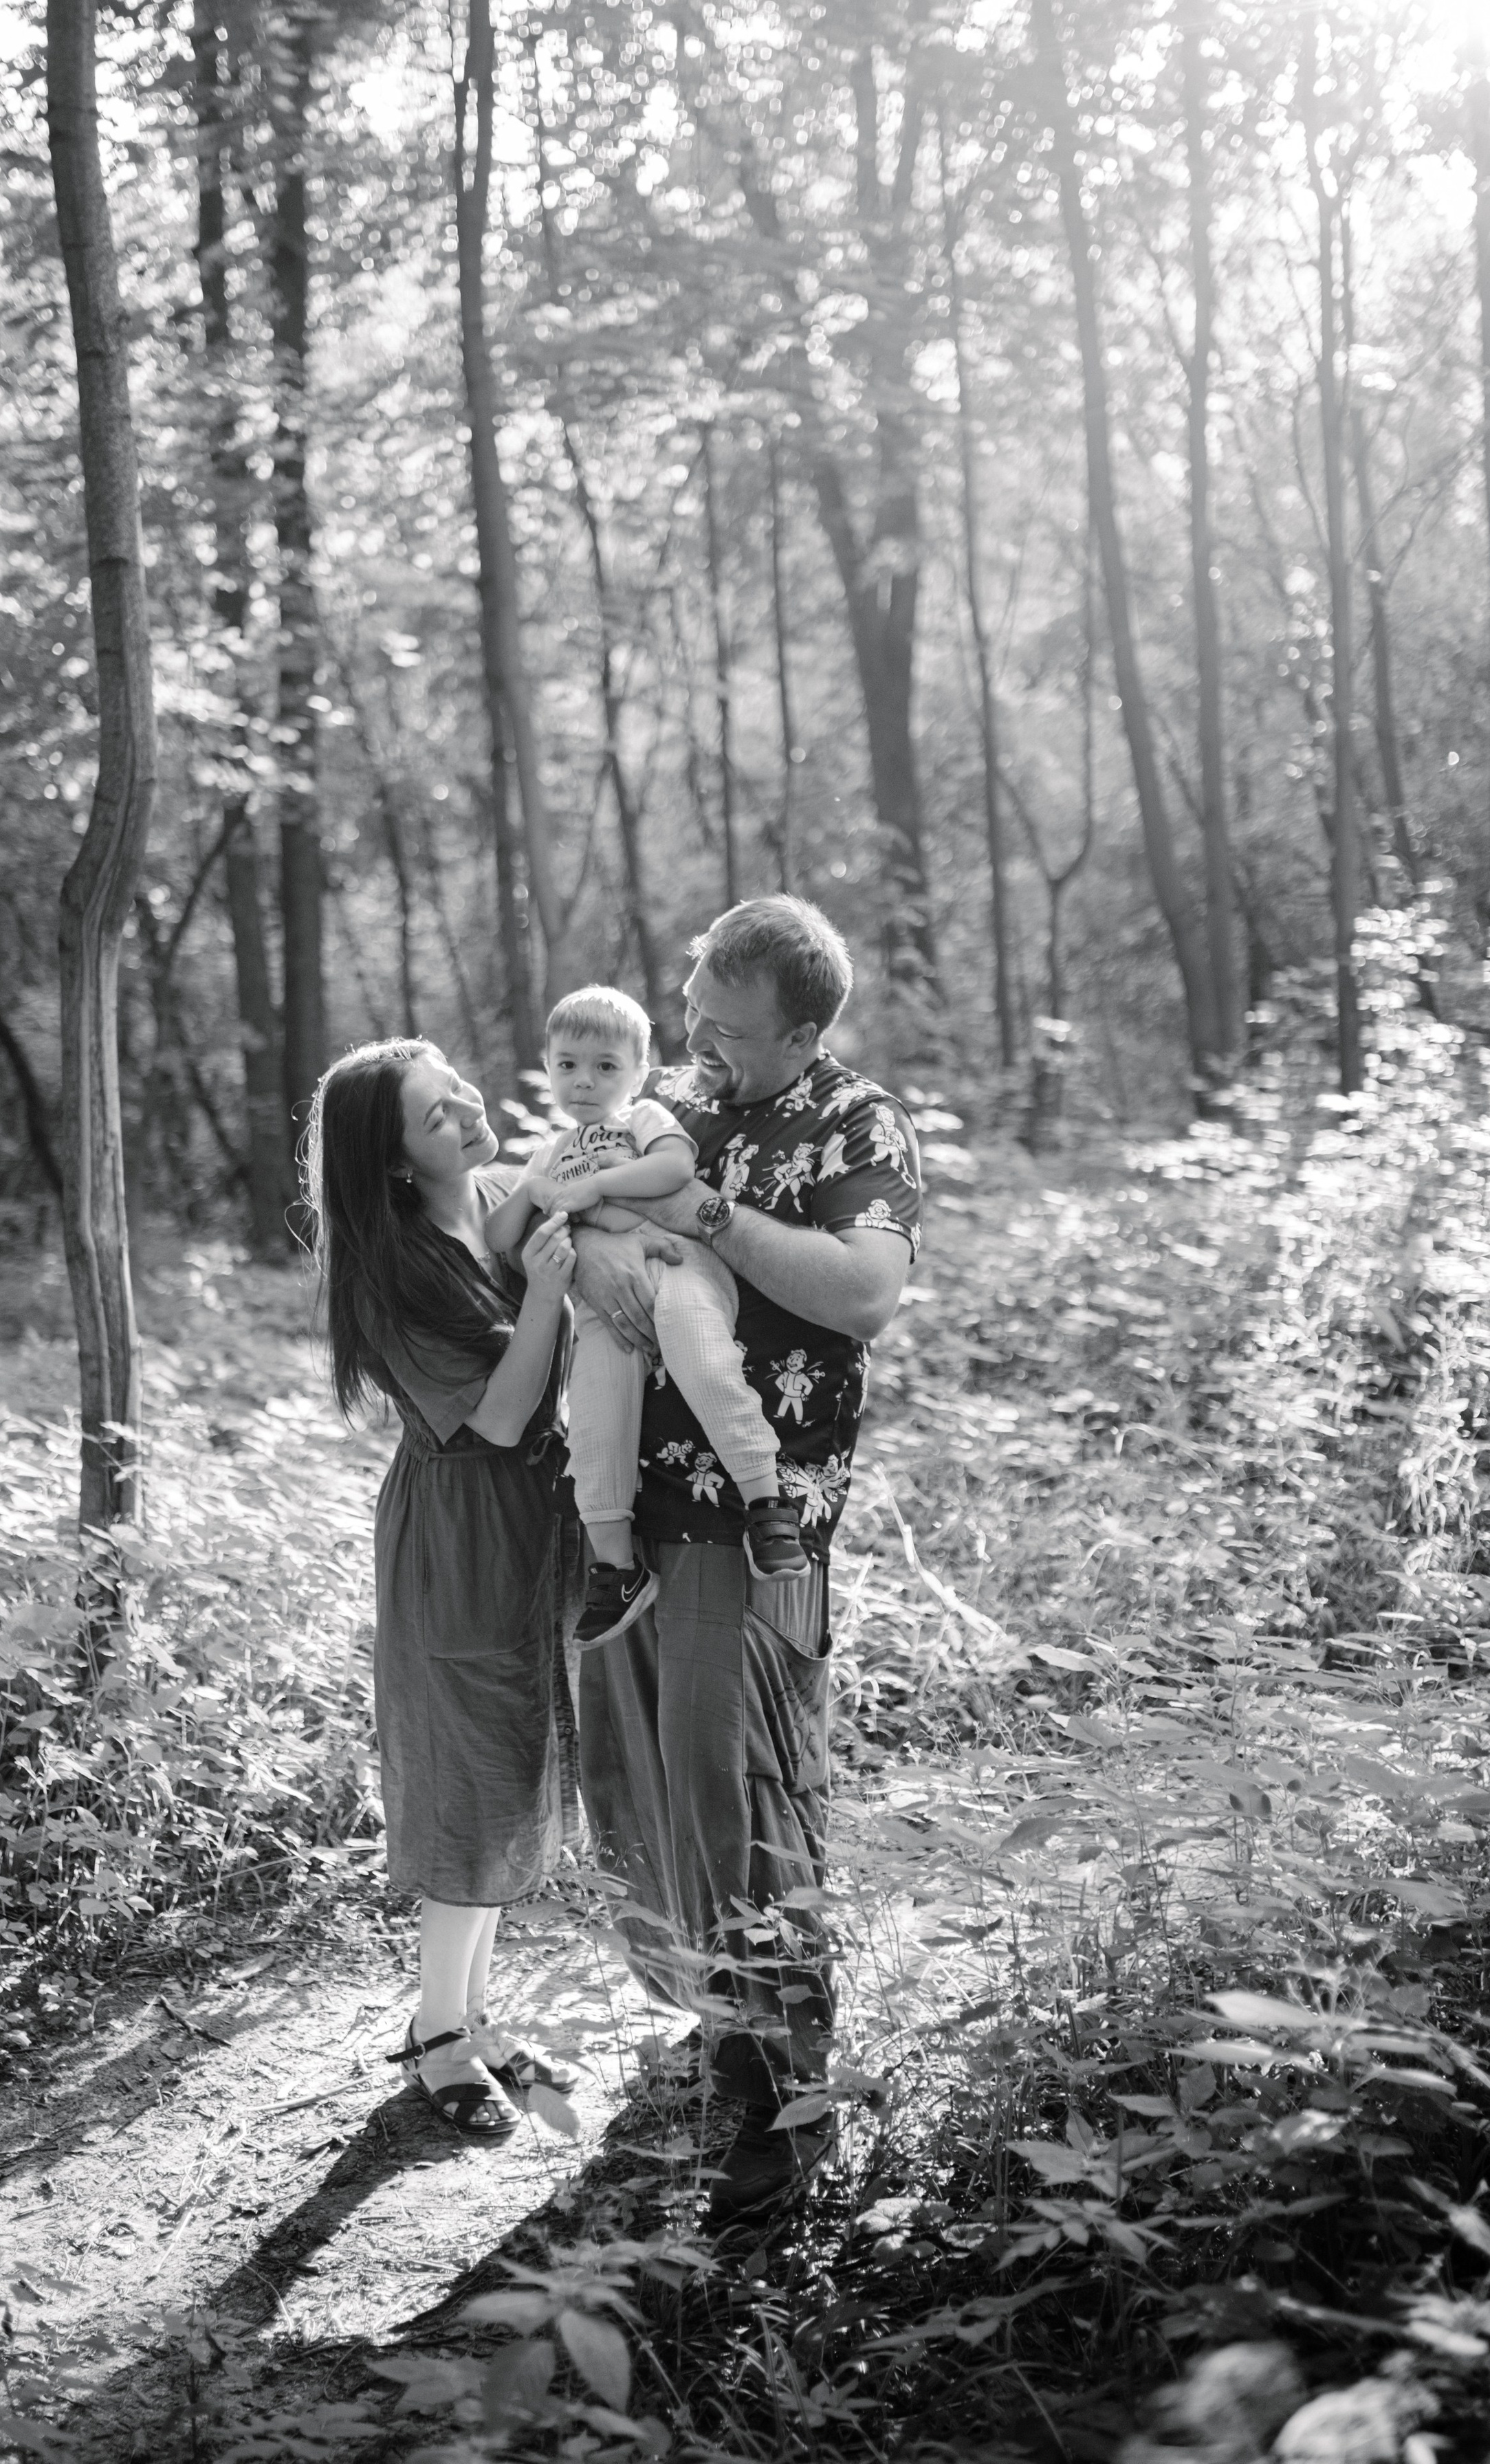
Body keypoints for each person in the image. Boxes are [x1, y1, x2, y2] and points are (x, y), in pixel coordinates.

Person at [571, 897, 922, 2224]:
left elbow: (862, 1292)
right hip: (629, 1507)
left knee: (748, 1784)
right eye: (694, 1007)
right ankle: (715, 2020)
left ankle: (787, 2089)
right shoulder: (677, 1098)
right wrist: (585, 1258)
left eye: (726, 1022)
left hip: (754, 1512)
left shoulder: (856, 1122)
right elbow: (585, 1200)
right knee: (657, 1777)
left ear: (803, 1027)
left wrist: (710, 1218)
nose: (697, 1035)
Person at [307, 1038, 582, 2139]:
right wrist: (552, 1294)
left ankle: (471, 2015)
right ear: (390, 1162)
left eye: (457, 1087)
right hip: (463, 1528)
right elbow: (505, 1416)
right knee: (473, 1774)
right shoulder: (390, 1269)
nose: (467, 1110)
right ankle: (436, 2038)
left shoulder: (501, 1201)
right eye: (434, 1116)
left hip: (536, 1516)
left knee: (519, 1767)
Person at [484, 984, 808, 1651]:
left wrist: (597, 1186)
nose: (584, 1081)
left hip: (679, 1265)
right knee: (596, 1419)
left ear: (637, 1071)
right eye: (567, 1064)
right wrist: (535, 1189)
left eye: (606, 1066)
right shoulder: (548, 1152)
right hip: (604, 1303)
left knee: (703, 1360)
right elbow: (498, 1236)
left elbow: (675, 1167)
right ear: (547, 1067)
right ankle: (616, 1565)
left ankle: (768, 1503)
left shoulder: (645, 1118)